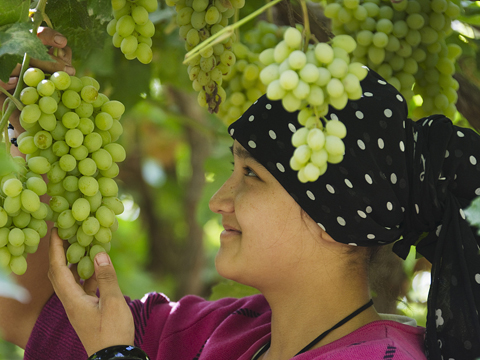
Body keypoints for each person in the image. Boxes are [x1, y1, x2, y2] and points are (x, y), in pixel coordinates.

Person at [1, 30, 480, 360]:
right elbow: (22, 308)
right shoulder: (228, 330)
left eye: (252, 175)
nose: (219, 200)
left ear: (335, 217)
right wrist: (30, 121)